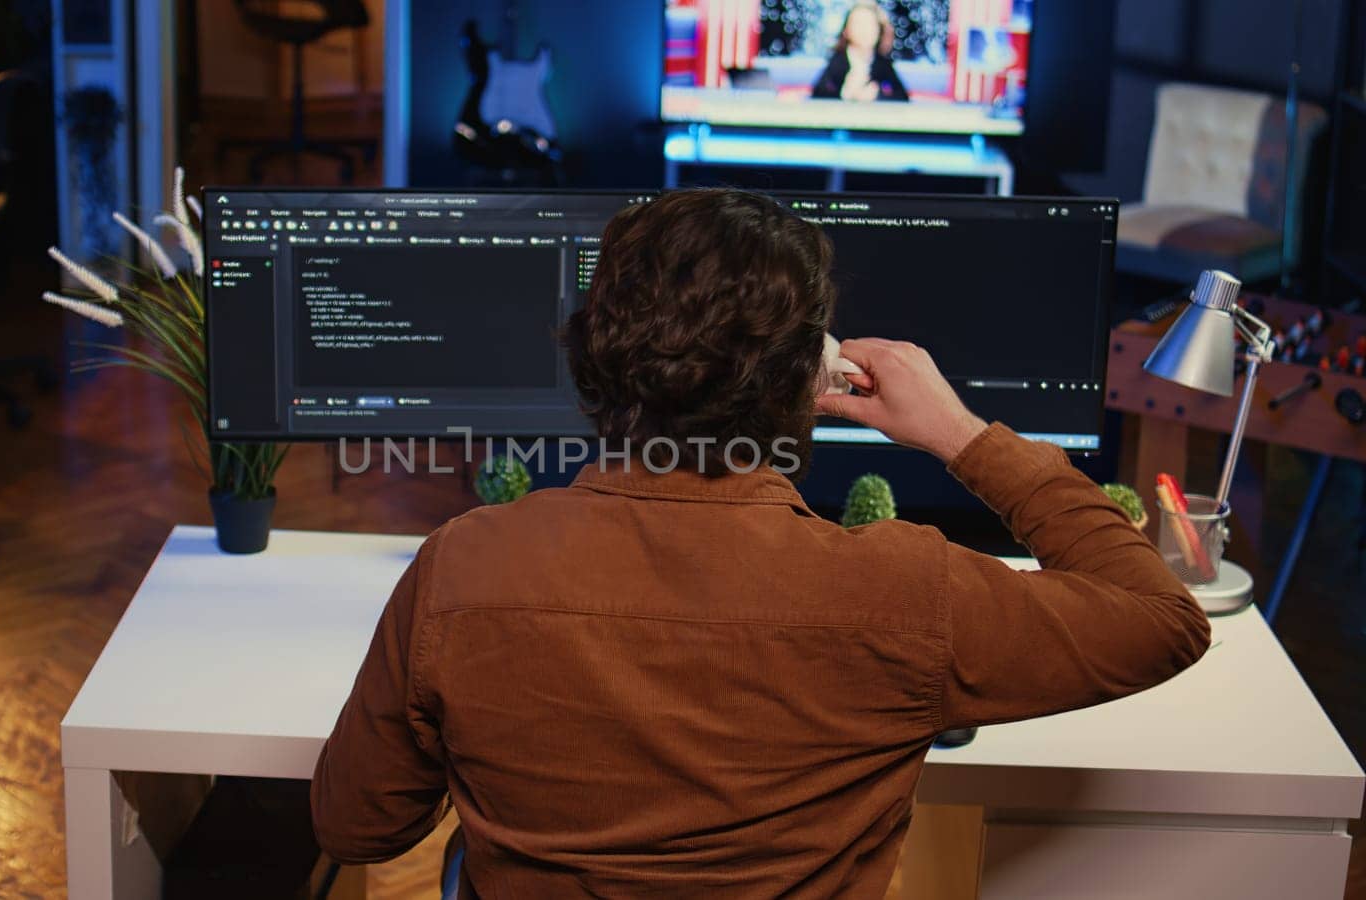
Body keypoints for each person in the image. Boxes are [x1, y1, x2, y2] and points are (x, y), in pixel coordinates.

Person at [311, 189, 1210, 897]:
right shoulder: (904, 593)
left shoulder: (463, 568)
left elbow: (359, 829)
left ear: (588, 356)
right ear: (812, 379)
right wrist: (961, 434)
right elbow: (1160, 617)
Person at [811, 1, 911, 102]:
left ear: (879, 30)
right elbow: (817, 97)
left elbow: (902, 98)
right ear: (846, 30)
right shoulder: (836, 63)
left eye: (870, 24)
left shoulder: (883, 65)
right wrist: (844, 94)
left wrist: (877, 96)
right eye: (858, 23)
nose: (864, 30)